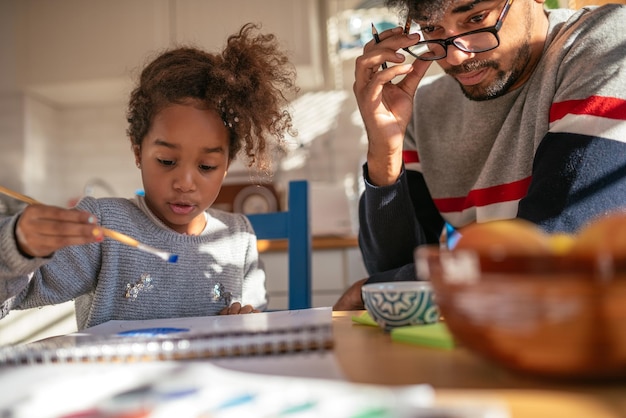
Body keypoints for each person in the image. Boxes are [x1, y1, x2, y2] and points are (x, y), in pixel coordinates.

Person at [0, 23, 298, 329]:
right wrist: (19, 247)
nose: (184, 182)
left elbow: (256, 324)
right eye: (167, 161)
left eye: (206, 166)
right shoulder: (103, 226)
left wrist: (245, 323)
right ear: (137, 151)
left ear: (226, 163)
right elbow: (10, 298)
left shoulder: (239, 237)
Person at [334, 0, 626, 310]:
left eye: (476, 18)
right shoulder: (422, 112)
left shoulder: (610, 42)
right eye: (432, 28)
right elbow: (398, 282)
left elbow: (556, 251)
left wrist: (387, 285)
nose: (458, 56)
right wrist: (384, 149)